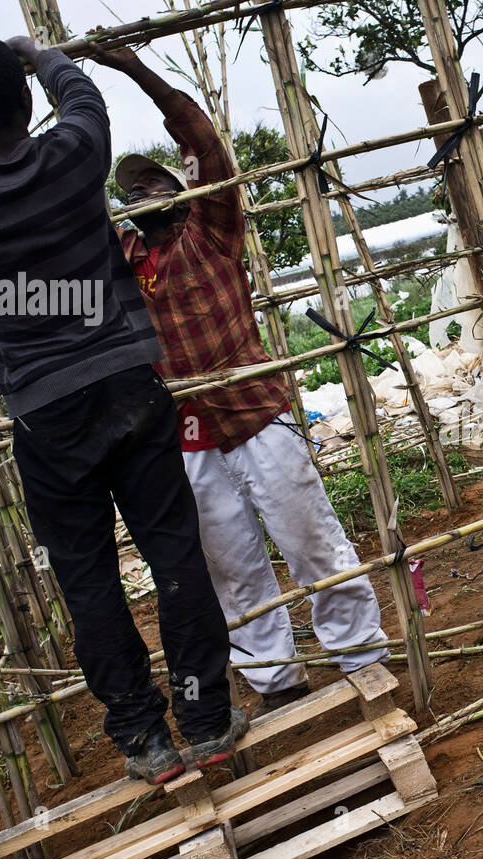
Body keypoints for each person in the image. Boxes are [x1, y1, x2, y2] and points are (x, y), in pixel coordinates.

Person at [0, 36, 247, 785]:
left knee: (88, 580)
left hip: (46, 414)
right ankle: (206, 721)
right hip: (127, 383)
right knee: (174, 553)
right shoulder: (73, 155)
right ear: (25, 104)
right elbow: (82, 95)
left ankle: (143, 738)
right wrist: (36, 52)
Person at [88, 45, 389, 712]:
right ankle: (277, 680)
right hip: (191, 435)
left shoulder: (213, 230)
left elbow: (198, 136)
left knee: (310, 538)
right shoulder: (127, 260)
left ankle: (363, 654)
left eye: (154, 184)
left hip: (258, 412)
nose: (141, 195)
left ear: (184, 190)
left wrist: (134, 71)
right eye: (131, 192)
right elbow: (78, 225)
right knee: (230, 568)